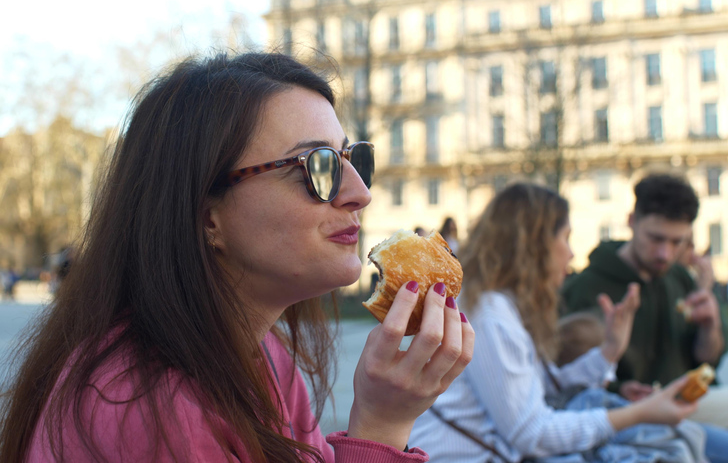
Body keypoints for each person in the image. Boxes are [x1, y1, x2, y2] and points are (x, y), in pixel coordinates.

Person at [0, 52, 474, 462]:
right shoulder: (144, 407)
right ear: (208, 217)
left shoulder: (265, 357)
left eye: (355, 161)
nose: (360, 193)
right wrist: (381, 426)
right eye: (319, 167)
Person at [411, 183, 728, 462]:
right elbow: (531, 432)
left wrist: (609, 351)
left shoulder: (498, 307)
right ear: (533, 246)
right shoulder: (493, 316)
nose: (570, 252)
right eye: (565, 238)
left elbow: (541, 392)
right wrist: (640, 413)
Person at [562, 173, 728, 447]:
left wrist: (710, 327)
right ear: (632, 221)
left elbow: (708, 361)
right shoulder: (586, 287)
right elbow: (562, 374)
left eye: (676, 242)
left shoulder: (680, 279)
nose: (665, 253)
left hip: (686, 406)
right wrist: (618, 388)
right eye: (656, 238)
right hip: (624, 415)